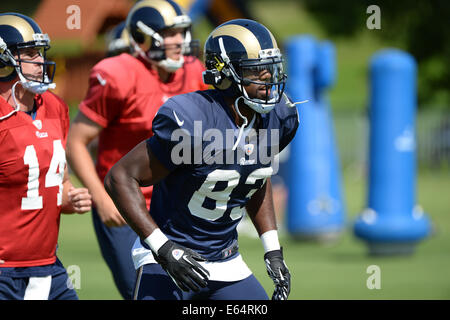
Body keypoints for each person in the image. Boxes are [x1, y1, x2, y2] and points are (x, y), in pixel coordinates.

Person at [104, 18, 298, 300]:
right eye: (257, 70)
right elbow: (120, 177)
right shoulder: (194, 120)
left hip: (227, 261)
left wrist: (272, 249)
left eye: (271, 68)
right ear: (226, 74)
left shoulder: (279, 117)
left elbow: (255, 176)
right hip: (170, 258)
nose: (268, 80)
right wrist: (163, 248)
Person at [66, 0, 209, 300]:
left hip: (178, 206)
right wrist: (100, 197)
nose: (178, 41)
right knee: (144, 293)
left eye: (181, 32)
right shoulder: (118, 74)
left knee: (196, 294)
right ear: (142, 37)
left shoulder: (194, 71)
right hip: (126, 205)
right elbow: (76, 141)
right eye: (169, 33)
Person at [0, 12, 92, 300]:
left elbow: (57, 184)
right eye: (29, 54)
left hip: (48, 265)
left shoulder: (54, 107)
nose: (40, 61)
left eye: (40, 53)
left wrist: (69, 197)